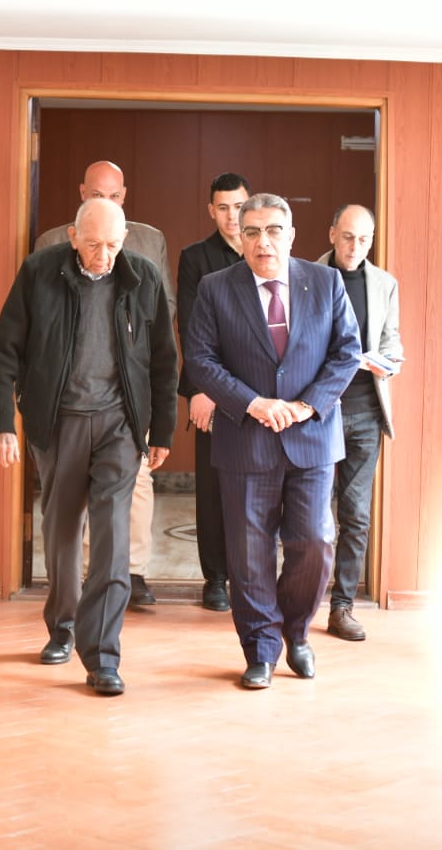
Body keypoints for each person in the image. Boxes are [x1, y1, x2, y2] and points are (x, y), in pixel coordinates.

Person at [0, 198, 178, 696]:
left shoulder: (143, 277)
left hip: (120, 425)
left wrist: (162, 431)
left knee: (112, 536)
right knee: (62, 530)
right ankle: (63, 626)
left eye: (112, 245)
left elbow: (163, 360)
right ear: (73, 237)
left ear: (124, 240)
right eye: (93, 244)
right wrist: (2, 423)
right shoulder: (40, 272)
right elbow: (5, 349)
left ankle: (103, 655)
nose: (103, 255)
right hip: (59, 422)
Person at [185, 193, 360, 689]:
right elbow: (200, 360)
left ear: (292, 235)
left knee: (315, 542)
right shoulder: (216, 288)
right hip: (246, 437)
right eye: (253, 232)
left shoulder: (325, 282)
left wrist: (307, 406)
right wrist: (253, 403)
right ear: (240, 238)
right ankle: (260, 649)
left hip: (312, 436)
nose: (264, 242)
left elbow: (347, 352)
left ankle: (296, 632)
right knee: (248, 554)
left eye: (274, 230)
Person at [35, 160, 172, 606]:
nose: (104, 253)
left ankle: (129, 573)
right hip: (69, 403)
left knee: (133, 489)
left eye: (113, 196)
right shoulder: (51, 245)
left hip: (127, 397)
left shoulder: (149, 240)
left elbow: (163, 313)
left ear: (124, 197)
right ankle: (76, 587)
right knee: (68, 503)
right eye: (97, 194)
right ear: (82, 194)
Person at [316, 205, 403, 641]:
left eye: (364, 239)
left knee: (356, 515)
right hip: (319, 413)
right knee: (310, 514)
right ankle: (300, 600)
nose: (355, 247)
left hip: (367, 412)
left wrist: (387, 362)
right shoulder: (307, 277)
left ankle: (343, 606)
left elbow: (392, 344)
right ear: (332, 233)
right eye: (348, 236)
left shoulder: (385, 284)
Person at [175, 172, 251, 612]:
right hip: (211, 392)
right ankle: (216, 579)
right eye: (223, 208)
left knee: (256, 489)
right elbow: (191, 328)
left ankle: (250, 577)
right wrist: (200, 390)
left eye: (238, 206)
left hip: (258, 392)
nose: (231, 216)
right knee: (212, 488)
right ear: (211, 211)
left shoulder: (265, 251)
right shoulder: (195, 258)